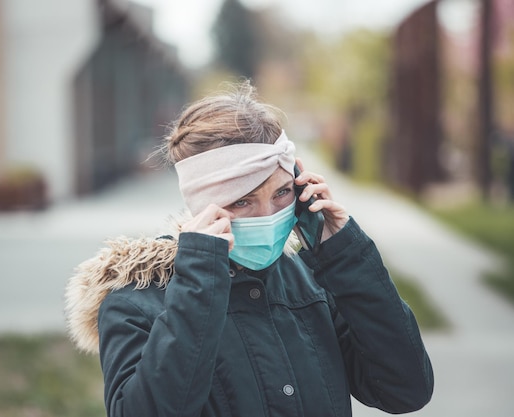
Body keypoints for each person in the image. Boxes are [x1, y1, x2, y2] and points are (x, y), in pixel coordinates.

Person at [65, 81, 434, 417]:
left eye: (282, 193)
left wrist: (343, 253)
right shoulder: (135, 302)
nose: (268, 216)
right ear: (202, 206)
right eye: (242, 202)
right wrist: (198, 285)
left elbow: (405, 390)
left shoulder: (311, 281)